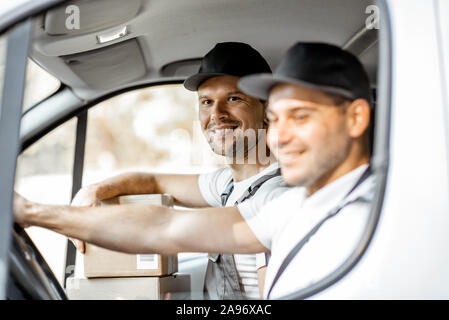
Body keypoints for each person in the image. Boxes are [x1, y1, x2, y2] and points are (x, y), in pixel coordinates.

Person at [14, 42, 375, 299]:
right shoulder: (292, 204)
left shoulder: (360, 217)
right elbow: (164, 222)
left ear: (356, 117)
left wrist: (32, 213)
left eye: (301, 117)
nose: (281, 136)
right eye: (279, 119)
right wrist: (49, 206)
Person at [66, 42, 288, 300]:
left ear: (267, 110)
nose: (216, 114)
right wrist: (93, 191)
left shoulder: (275, 196)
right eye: (206, 101)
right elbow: (153, 181)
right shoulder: (228, 185)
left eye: (233, 98)